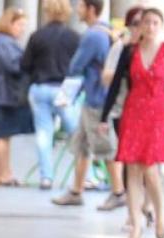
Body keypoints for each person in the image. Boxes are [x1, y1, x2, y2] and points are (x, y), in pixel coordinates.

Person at [100, 7, 164, 238]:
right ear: (140, 26)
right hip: (133, 112)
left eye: (155, 22)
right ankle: (135, 224)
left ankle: (159, 216)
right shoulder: (129, 52)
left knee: (149, 168)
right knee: (133, 169)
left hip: (158, 113)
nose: (150, 27)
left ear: (161, 25)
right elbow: (116, 85)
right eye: (146, 22)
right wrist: (104, 117)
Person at [52, 0, 124, 207]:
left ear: (91, 9)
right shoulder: (108, 30)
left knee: (104, 147)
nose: (77, 10)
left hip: (97, 99)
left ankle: (118, 192)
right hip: (97, 96)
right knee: (81, 144)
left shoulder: (93, 35)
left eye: (81, 6)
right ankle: (76, 190)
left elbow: (76, 65)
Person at [21, 0, 81, 190]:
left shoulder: (37, 36)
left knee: (43, 134)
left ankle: (46, 177)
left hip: (40, 87)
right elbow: (78, 66)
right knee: (76, 134)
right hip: (63, 88)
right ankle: (86, 176)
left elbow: (25, 65)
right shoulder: (73, 37)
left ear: (46, 12)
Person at [101, 6, 147, 218]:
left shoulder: (157, 49)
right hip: (123, 110)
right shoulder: (122, 48)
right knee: (130, 161)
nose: (141, 27)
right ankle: (133, 210)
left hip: (149, 113)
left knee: (148, 163)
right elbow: (108, 79)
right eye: (136, 23)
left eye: (145, 22)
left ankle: (147, 205)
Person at [0, 8, 33, 185]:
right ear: (9, 24)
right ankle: (3, 174)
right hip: (2, 93)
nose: (22, 29)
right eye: (19, 25)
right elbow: (14, 65)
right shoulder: (4, 42)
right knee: (3, 135)